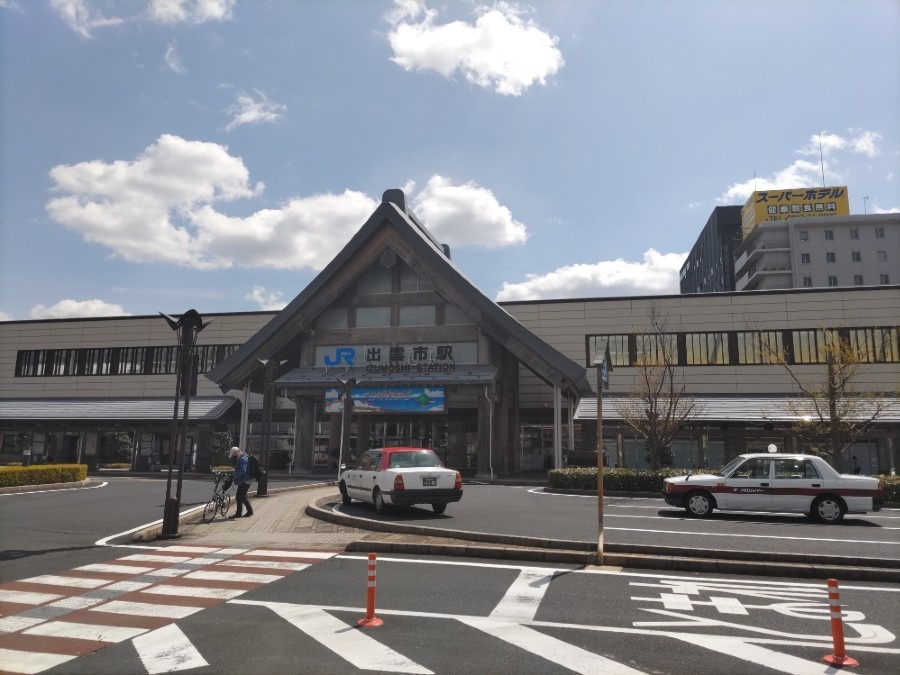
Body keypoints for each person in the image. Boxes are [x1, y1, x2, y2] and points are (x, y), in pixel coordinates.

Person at [228, 446, 254, 518]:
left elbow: (243, 470)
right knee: (243, 496)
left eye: (234, 454)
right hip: (245, 480)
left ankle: (238, 514)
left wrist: (235, 475)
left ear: (236, 452)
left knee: (239, 497)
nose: (234, 456)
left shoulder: (243, 458)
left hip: (245, 480)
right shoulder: (243, 457)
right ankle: (250, 511)